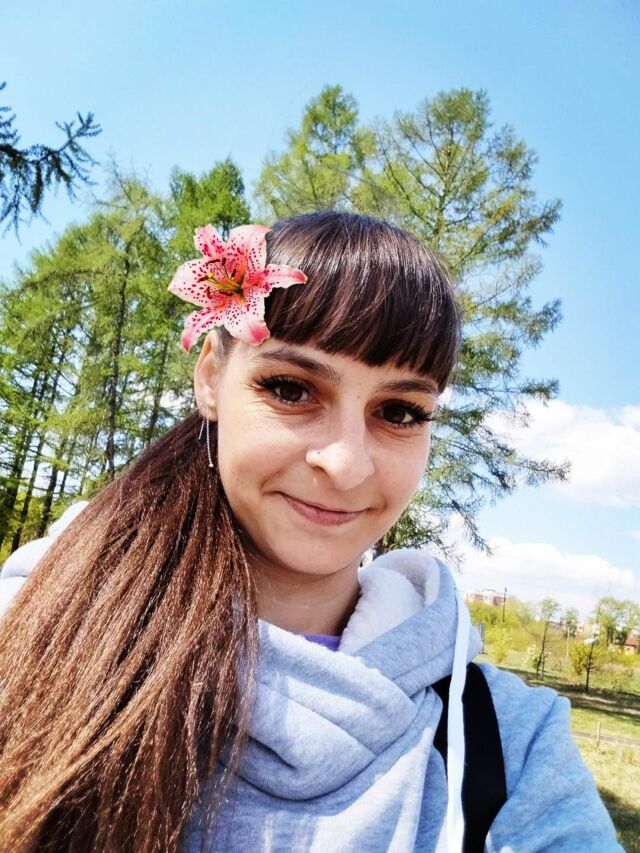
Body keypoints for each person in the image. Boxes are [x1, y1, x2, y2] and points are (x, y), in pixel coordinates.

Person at [0, 212, 620, 852]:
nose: (346, 463)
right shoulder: (32, 632)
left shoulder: (510, 743)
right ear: (211, 378)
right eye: (291, 389)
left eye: (399, 411)